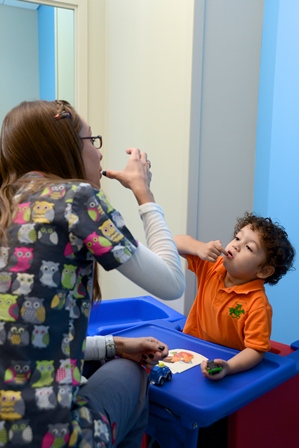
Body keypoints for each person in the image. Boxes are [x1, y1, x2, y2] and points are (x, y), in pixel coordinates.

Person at [0, 99, 185, 447]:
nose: (99, 155)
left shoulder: (7, 207)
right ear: (65, 147)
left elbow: (24, 338)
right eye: (92, 140)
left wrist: (112, 345)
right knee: (132, 373)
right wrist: (143, 191)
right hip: (48, 438)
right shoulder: (74, 199)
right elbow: (172, 281)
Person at [175, 212, 295, 381]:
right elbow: (175, 242)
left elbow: (256, 350)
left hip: (228, 367)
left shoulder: (257, 305)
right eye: (238, 238)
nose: (237, 245)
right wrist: (199, 247)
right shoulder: (211, 265)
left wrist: (229, 367)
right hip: (191, 352)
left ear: (263, 271)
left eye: (249, 247)